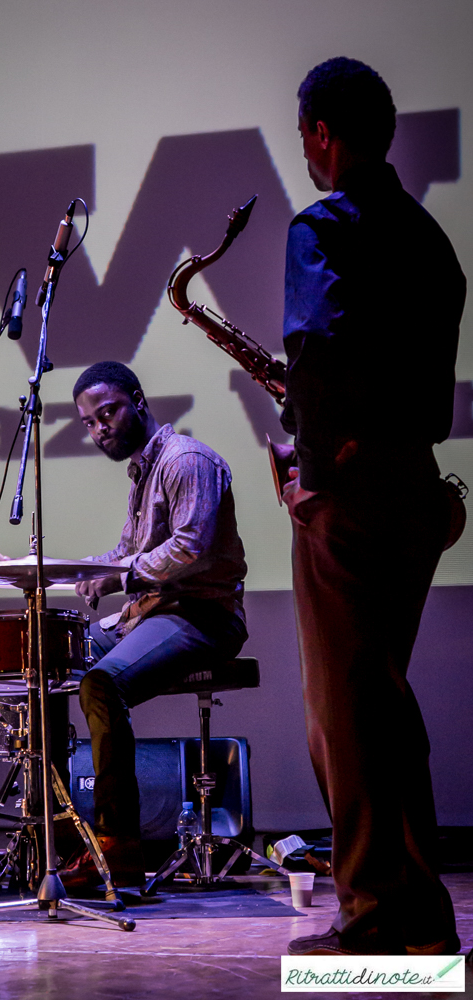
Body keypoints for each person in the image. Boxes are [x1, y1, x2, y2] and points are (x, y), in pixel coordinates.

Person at [281, 58, 466, 956]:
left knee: (344, 719)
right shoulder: (430, 238)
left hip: (346, 489)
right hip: (416, 486)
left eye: (303, 133)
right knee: (382, 704)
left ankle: (373, 915)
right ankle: (420, 915)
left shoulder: (322, 224)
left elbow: (316, 342)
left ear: (322, 132)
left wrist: (310, 466)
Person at [59, 361, 247, 890]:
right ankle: (60, 828)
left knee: (101, 682)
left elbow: (189, 547)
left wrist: (118, 576)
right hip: (155, 612)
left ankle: (119, 843)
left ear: (138, 401)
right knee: (50, 663)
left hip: (204, 616)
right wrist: (83, 571)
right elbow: (128, 551)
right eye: (90, 423)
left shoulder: (186, 460)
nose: (100, 429)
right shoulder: (145, 471)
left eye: (109, 412)